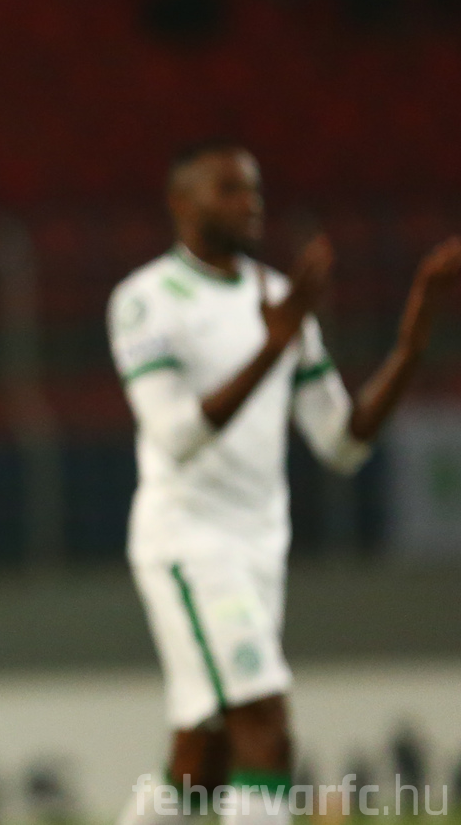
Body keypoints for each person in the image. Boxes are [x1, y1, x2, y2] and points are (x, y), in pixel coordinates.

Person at [109, 140, 461, 825]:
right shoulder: (145, 301)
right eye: (229, 189)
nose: (251, 204)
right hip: (190, 541)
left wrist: (414, 336)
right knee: (265, 731)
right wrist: (271, 345)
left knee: (202, 763)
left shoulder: (277, 298)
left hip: (259, 548)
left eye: (255, 190)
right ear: (181, 202)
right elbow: (175, 435)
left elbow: (342, 441)